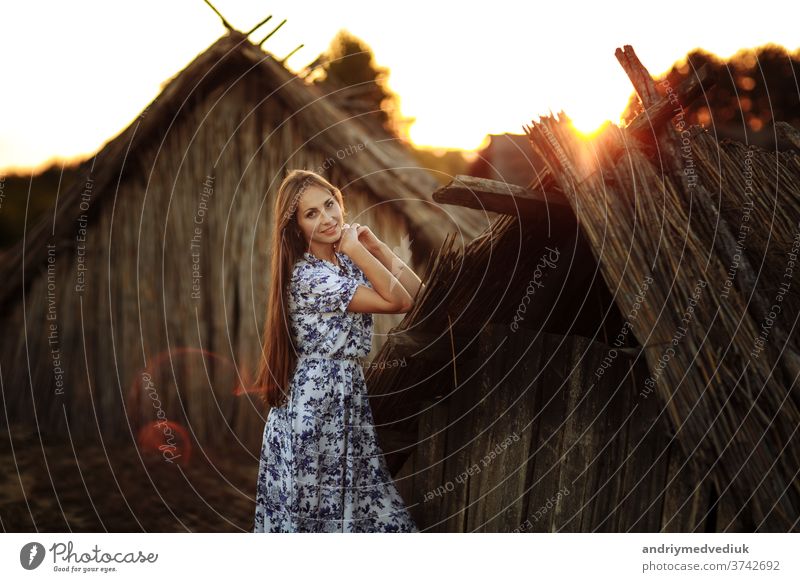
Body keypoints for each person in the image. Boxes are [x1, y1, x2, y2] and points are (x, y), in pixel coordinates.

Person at [253, 169, 425, 532]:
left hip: (346, 397)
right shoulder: (308, 276)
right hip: (314, 407)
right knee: (316, 516)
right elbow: (396, 301)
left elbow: (418, 296)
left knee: (360, 507)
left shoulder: (346, 263)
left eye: (329, 204)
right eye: (311, 214)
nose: (328, 218)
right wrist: (356, 249)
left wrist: (375, 248)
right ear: (296, 227)